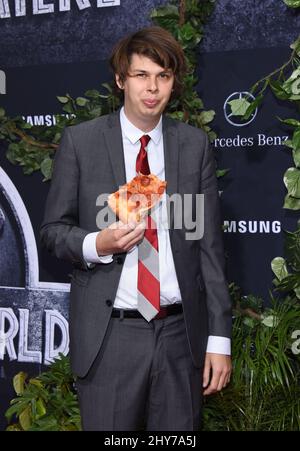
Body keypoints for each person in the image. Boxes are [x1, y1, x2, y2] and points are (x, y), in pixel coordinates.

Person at [40, 26, 232, 431]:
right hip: (112, 336)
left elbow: (210, 249)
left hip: (180, 336)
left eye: (163, 77)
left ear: (173, 83)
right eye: (142, 75)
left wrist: (219, 339)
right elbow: (53, 231)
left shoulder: (193, 146)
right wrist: (98, 243)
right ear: (120, 79)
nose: (153, 88)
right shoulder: (81, 142)